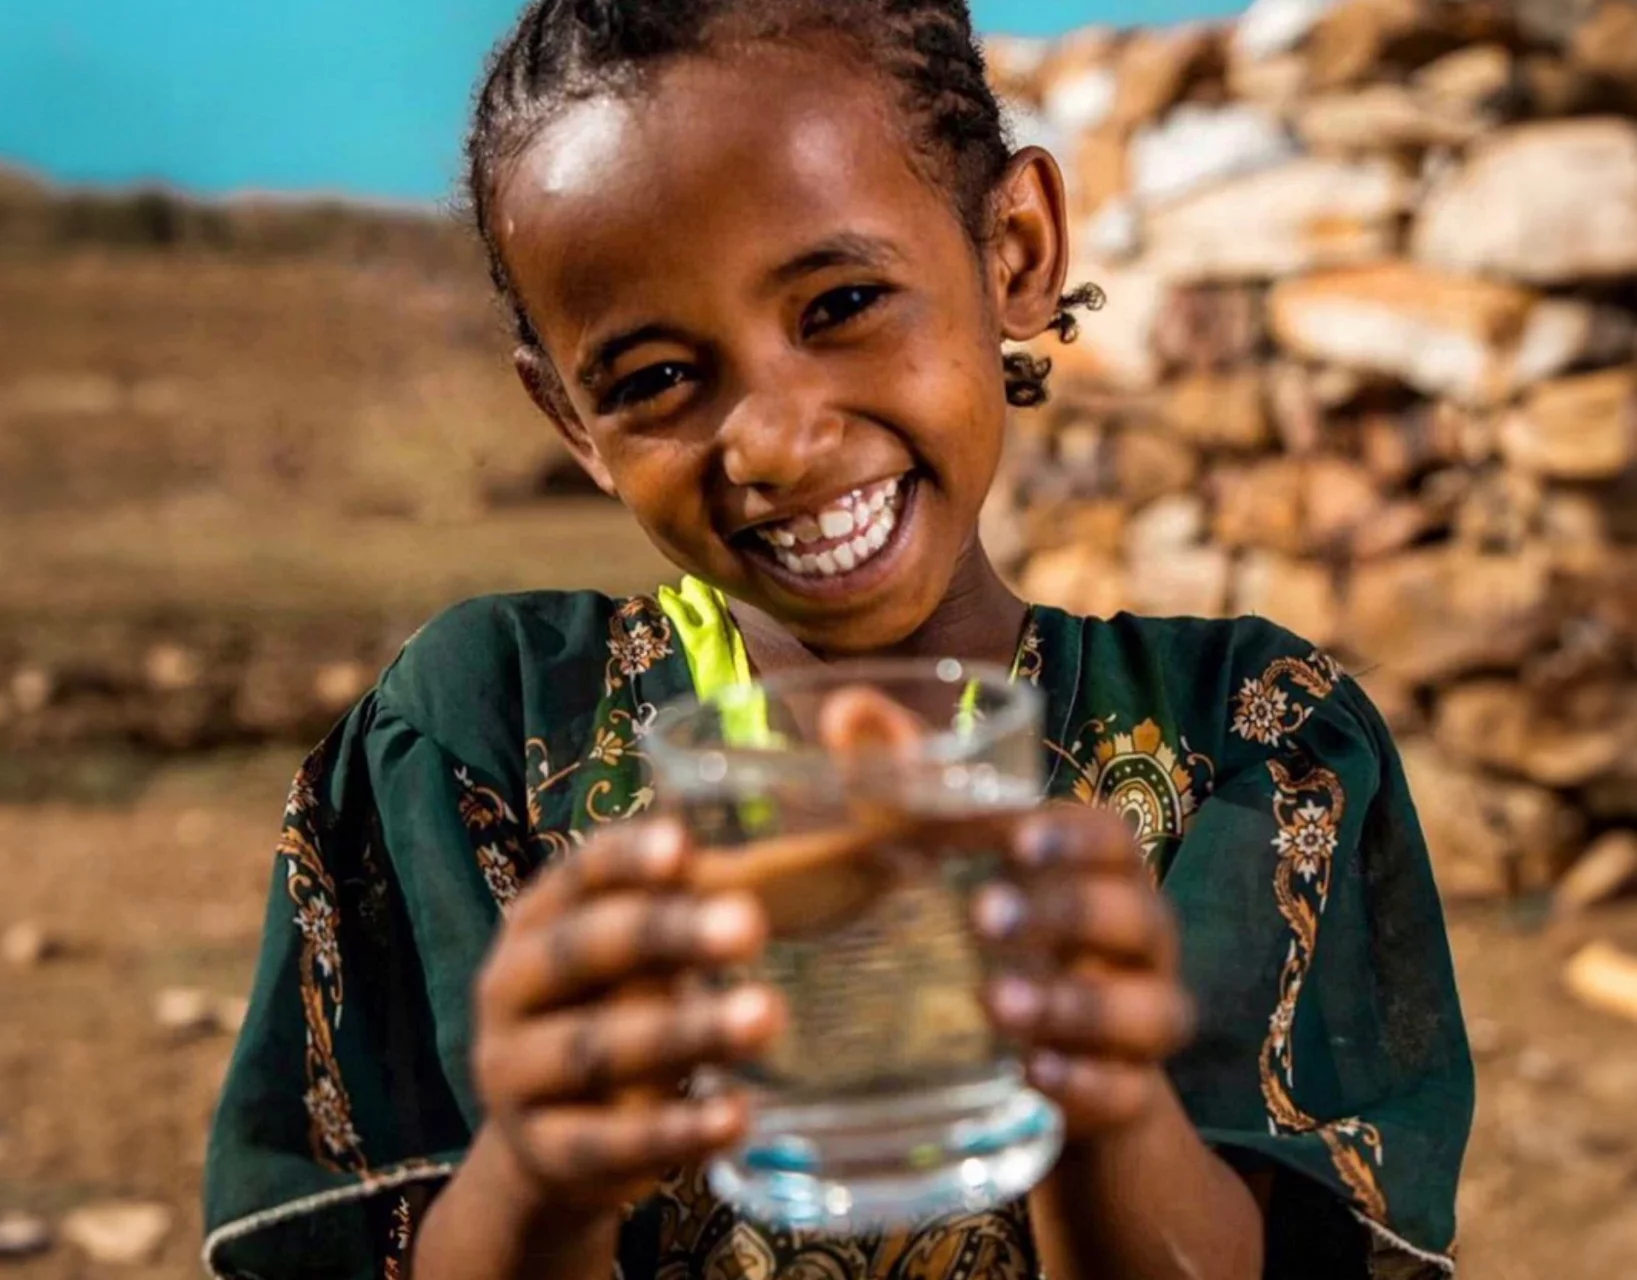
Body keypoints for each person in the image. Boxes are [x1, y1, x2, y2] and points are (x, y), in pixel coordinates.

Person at [201, 2, 1473, 1277]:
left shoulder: (1241, 741)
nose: (775, 440)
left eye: (843, 301)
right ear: (572, 421)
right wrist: (539, 1174)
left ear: (1013, 250)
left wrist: (1098, 1095)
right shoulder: (483, 730)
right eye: (652, 380)